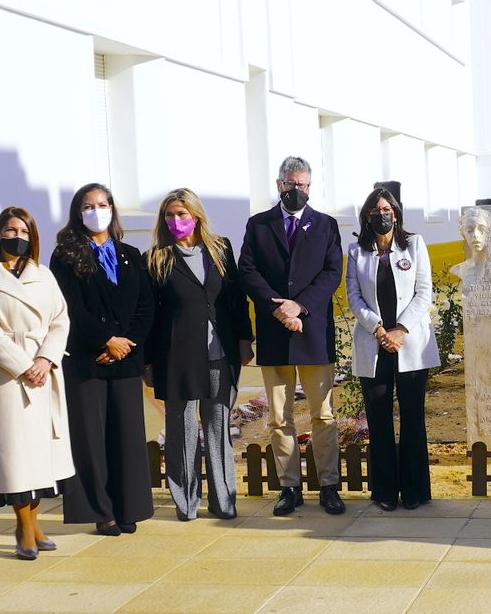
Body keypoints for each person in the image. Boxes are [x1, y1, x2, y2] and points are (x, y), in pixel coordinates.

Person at [239, 156, 346, 516]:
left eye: (301, 184)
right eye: (289, 184)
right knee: (279, 417)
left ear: (310, 187)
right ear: (278, 184)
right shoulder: (259, 225)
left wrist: (299, 308)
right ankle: (289, 488)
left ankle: (329, 486)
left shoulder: (326, 225)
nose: (295, 190)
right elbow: (248, 270)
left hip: (313, 333)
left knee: (323, 415)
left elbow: (332, 273)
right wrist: (278, 309)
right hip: (274, 333)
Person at [50, 183, 155, 536]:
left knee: (126, 436)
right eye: (89, 205)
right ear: (78, 213)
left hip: (125, 359)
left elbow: (146, 305)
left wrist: (127, 343)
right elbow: (70, 308)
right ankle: (101, 510)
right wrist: (106, 340)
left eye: (103, 204)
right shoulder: (65, 257)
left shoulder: (131, 254)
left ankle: (129, 507)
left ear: (112, 209)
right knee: (91, 439)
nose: (97, 211)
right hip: (87, 358)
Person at [144, 188, 254, 522]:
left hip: (219, 354)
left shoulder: (220, 249)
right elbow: (149, 316)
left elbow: (235, 299)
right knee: (181, 429)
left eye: (181, 213)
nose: (176, 220)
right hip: (176, 358)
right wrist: (148, 362)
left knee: (218, 425)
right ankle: (187, 502)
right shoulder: (155, 259)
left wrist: (244, 339)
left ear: (196, 215)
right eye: (169, 215)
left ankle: (224, 499)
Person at [0, 207, 75, 560]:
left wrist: (45, 358)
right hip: (9, 376)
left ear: (32, 237)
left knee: (40, 456)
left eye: (23, 230)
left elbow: (60, 320)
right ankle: (23, 527)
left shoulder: (44, 275)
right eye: (9, 229)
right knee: (15, 457)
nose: (15, 236)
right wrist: (22, 365)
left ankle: (35, 524)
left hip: (44, 372)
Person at [347, 187, 441, 511]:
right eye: (375, 209)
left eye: (386, 209)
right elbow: (353, 297)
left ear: (396, 214)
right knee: (379, 419)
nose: (381, 214)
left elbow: (424, 292)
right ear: (367, 215)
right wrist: (378, 328)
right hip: (373, 345)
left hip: (410, 344)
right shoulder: (356, 252)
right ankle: (385, 491)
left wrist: (400, 330)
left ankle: (415, 491)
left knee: (413, 419)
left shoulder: (413, 245)